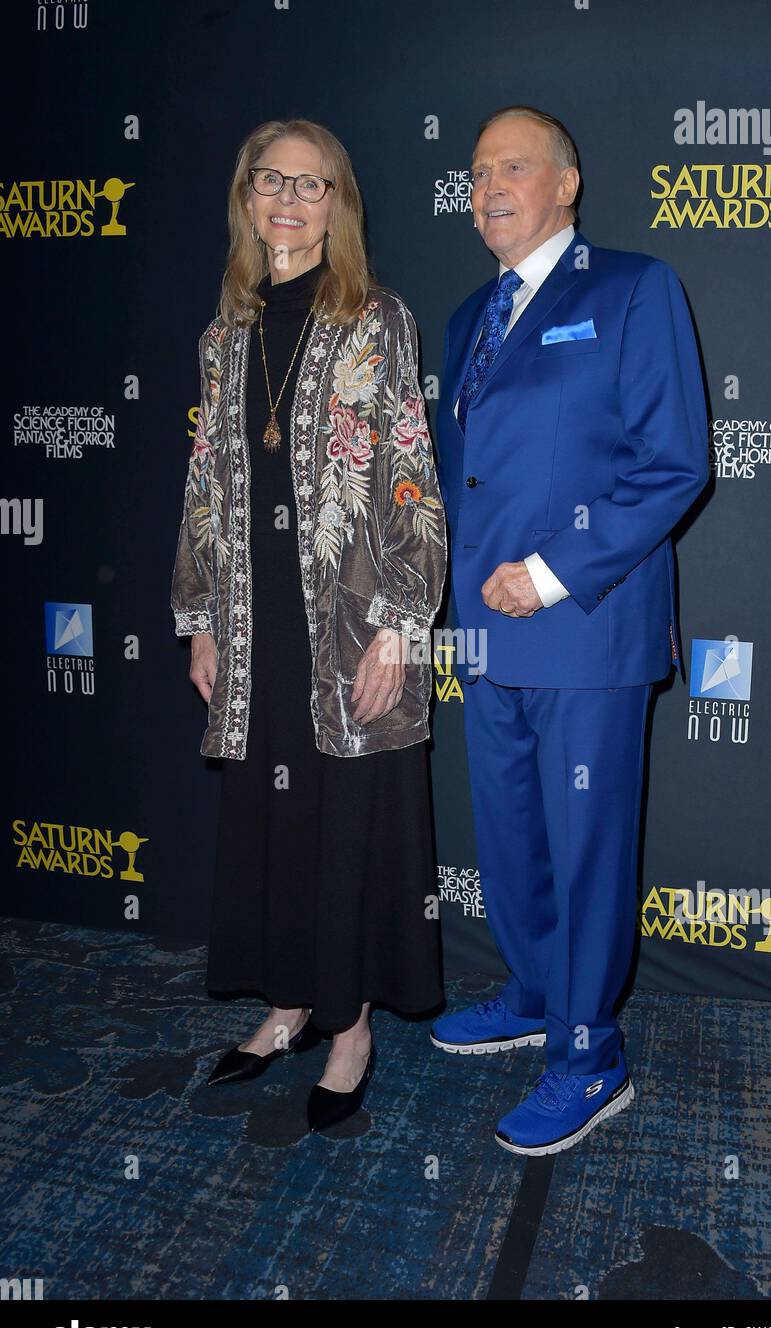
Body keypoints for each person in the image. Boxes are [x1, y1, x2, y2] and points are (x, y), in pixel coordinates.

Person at [432, 106, 708, 1156]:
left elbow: (674, 463)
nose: (488, 186)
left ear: (567, 181)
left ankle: (589, 1054)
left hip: (583, 629)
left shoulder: (633, 289)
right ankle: (540, 994)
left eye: (512, 166)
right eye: (474, 173)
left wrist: (548, 575)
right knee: (509, 843)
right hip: (486, 639)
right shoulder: (469, 317)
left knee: (585, 849)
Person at [170, 118, 447, 1132]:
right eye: (271, 181)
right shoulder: (221, 337)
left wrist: (399, 627)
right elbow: (204, 486)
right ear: (247, 197)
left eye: (311, 184)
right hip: (255, 631)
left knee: (348, 827)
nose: (289, 200)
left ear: (338, 204)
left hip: (347, 624)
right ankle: (286, 1005)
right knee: (276, 822)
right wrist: (201, 619)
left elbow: (410, 481)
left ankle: (349, 1028)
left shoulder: (376, 319)